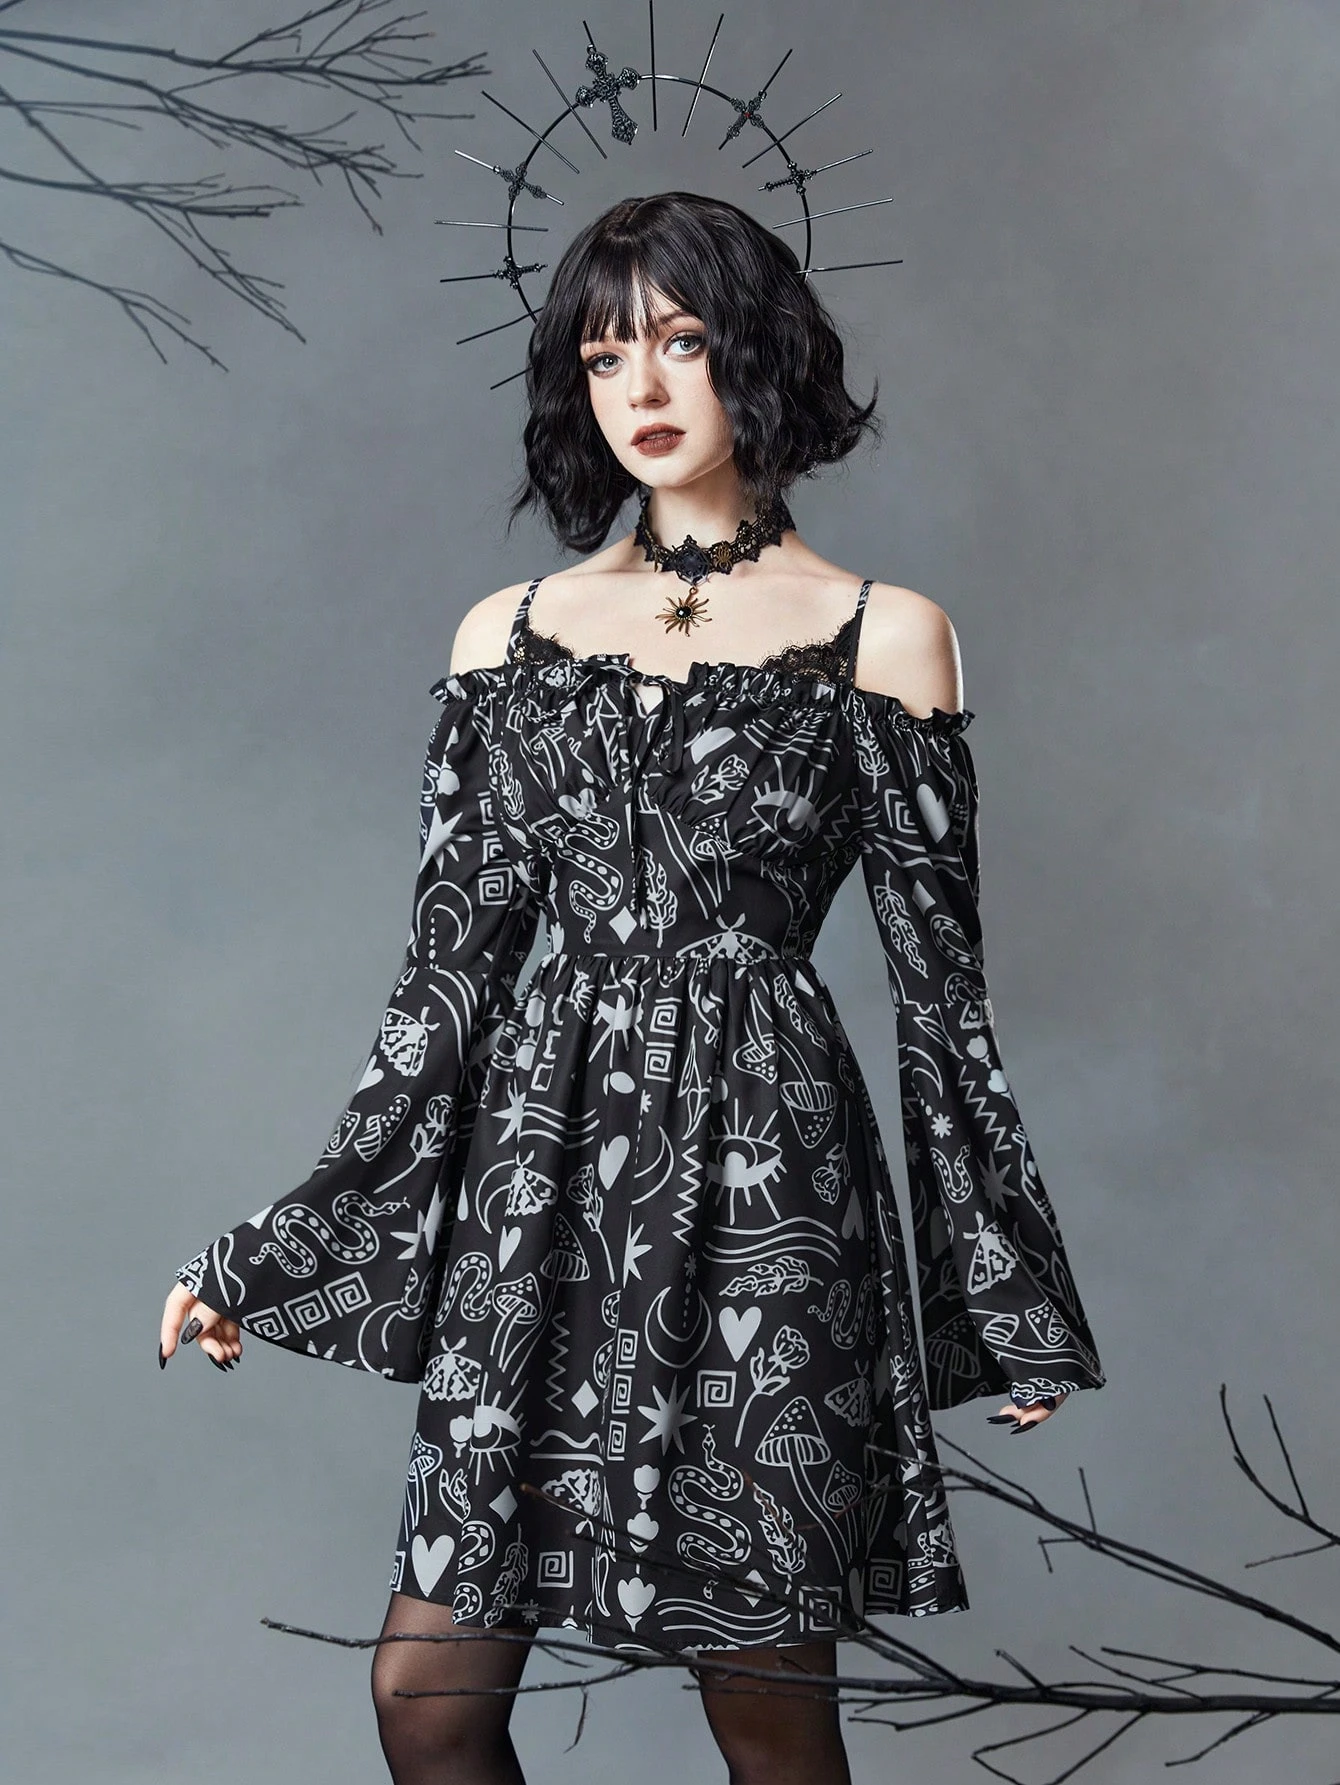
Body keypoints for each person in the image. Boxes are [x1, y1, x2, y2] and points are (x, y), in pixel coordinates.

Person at [159, 191, 1105, 1785]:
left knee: (768, 1708)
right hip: (540, 1190)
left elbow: (949, 1011)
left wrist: (1003, 1295)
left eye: (681, 341)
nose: (643, 388)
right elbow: (439, 1000)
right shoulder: (511, 639)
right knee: (429, 1697)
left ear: (761, 353)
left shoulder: (883, 637)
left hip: (769, 1184)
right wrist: (277, 1247)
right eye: (606, 356)